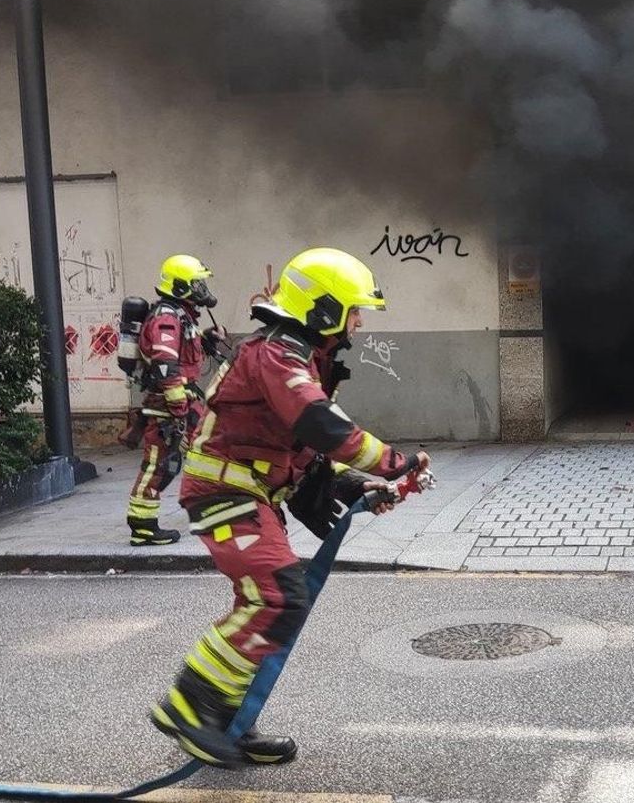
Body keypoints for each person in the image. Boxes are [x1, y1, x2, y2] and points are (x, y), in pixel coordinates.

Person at [148, 247, 429, 769]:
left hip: (249, 492)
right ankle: (189, 708)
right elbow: (320, 424)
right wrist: (394, 462)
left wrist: (354, 486)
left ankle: (229, 721)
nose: (359, 322)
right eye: (354, 311)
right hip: (224, 492)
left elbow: (300, 448)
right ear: (324, 309)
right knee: (278, 597)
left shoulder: (295, 356)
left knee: (266, 603)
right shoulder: (276, 354)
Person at [126, 254, 225, 546]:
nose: (202, 289)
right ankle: (142, 525)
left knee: (209, 450)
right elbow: (165, 364)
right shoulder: (167, 318)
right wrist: (179, 407)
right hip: (169, 405)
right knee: (158, 463)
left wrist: (205, 338)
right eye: (197, 283)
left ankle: (214, 507)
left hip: (183, 401)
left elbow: (184, 349)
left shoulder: (180, 315)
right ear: (181, 286)